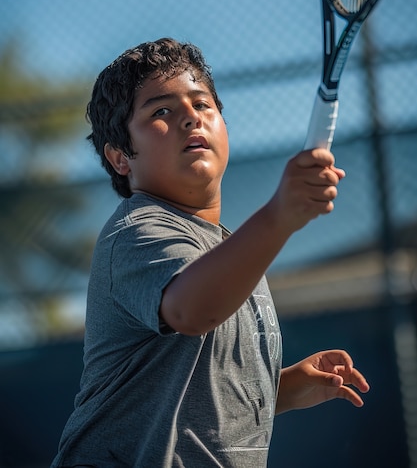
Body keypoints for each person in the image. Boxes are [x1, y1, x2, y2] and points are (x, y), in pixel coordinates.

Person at [51, 38, 369, 468]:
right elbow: (191, 311)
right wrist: (279, 215)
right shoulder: (136, 232)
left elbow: (193, 395)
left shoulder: (229, 249)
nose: (189, 117)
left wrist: (285, 387)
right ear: (120, 156)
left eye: (202, 104)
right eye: (161, 111)